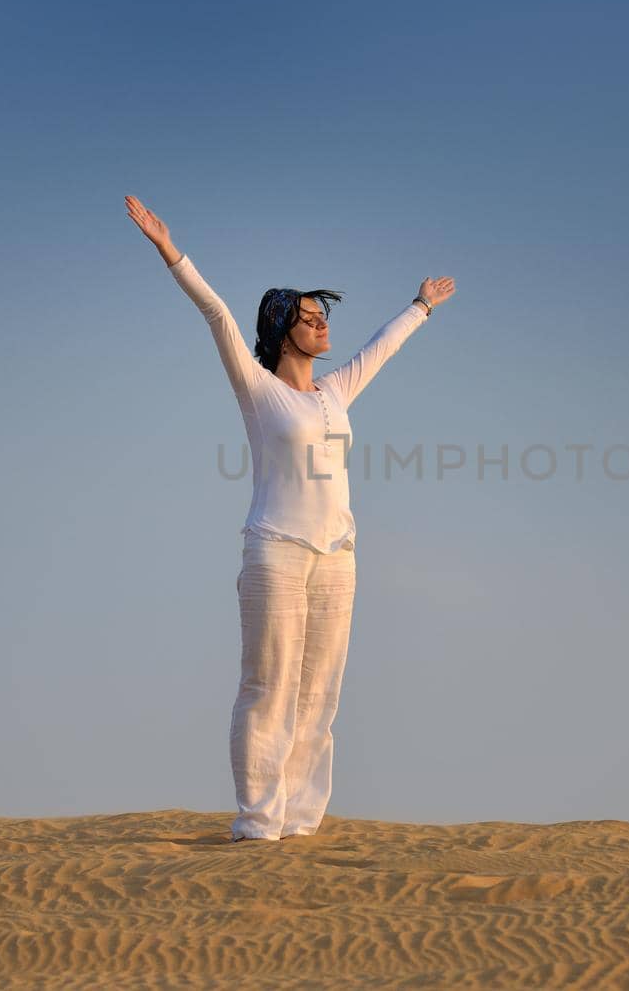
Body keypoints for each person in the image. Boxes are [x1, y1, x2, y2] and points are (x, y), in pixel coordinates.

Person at [124, 195, 456, 842]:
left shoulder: (336, 392)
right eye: (308, 317)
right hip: (276, 550)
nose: (322, 325)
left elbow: (381, 349)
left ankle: (300, 822)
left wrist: (420, 306)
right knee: (268, 685)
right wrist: (170, 248)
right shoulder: (258, 389)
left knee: (320, 693)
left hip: (338, 553)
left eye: (323, 314)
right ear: (283, 329)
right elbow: (216, 313)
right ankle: (257, 822)